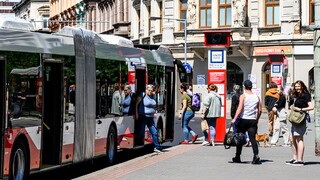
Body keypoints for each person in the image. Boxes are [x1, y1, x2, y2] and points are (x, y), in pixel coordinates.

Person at [231, 80, 262, 164]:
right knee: (252, 139)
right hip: (252, 120)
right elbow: (260, 110)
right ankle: (256, 156)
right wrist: (257, 119)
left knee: (240, 137)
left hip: (244, 119)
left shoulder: (243, 96)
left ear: (244, 86)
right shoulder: (257, 97)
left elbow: (240, 108)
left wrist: (234, 118)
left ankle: (238, 156)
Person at [286, 80, 314, 166]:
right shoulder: (296, 95)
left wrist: (301, 109)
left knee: (299, 139)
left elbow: (311, 107)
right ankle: (295, 158)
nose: (297, 88)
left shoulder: (305, 95)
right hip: (295, 119)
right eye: (296, 86)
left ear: (302, 86)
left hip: (300, 119)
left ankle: (300, 160)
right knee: (292, 138)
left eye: (298, 86)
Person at [135, 84, 161, 153]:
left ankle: (156, 147)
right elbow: (136, 104)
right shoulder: (142, 95)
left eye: (151, 91)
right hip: (143, 116)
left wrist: (154, 111)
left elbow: (154, 105)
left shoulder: (153, 96)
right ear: (146, 90)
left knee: (154, 132)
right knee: (141, 132)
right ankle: (136, 143)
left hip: (150, 118)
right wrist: (136, 114)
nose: (150, 92)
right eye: (149, 90)